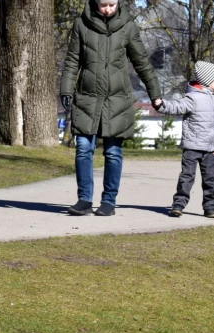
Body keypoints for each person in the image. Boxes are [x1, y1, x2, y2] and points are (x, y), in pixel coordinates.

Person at [60, 0, 163, 216]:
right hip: (87, 97)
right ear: (95, 3)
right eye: (103, 4)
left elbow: (142, 62)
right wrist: (66, 90)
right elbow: (72, 60)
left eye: (111, 4)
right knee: (83, 149)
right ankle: (84, 199)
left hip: (117, 100)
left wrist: (155, 94)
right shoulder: (81, 25)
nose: (107, 9)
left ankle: (109, 201)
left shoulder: (128, 26)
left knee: (113, 152)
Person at [156, 61, 214, 218]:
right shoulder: (193, 98)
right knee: (187, 177)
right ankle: (178, 204)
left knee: (211, 179)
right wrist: (161, 104)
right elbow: (176, 107)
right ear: (208, 82)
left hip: (210, 149)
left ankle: (210, 207)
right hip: (192, 147)